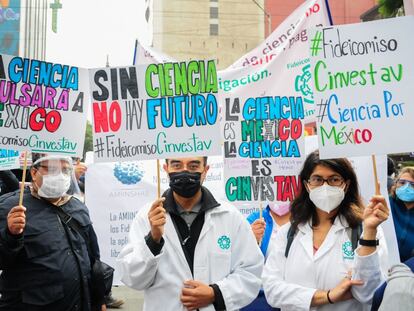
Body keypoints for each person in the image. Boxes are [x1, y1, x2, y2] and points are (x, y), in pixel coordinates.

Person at [117, 156, 263, 311]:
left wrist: (216, 293)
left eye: (193, 166)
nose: (184, 172)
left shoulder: (230, 217)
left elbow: (251, 272)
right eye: (177, 165)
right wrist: (153, 239)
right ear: (166, 169)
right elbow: (133, 278)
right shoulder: (147, 217)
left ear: (205, 171)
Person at [263, 150, 389, 311]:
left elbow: (369, 295)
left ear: (346, 184)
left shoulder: (367, 231)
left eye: (334, 179)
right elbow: (272, 291)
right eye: (317, 179)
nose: (325, 186)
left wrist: (370, 232)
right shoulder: (289, 232)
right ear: (307, 185)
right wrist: (327, 296)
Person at [0, 154, 106, 311]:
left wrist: (99, 299)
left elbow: (92, 257)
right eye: (52, 169)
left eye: (65, 170)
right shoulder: (12, 208)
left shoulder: (78, 207)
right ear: (34, 173)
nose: (60, 176)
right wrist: (11, 235)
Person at [241, 203, 291, 310]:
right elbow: (239, 259)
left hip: (291, 295)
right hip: (260, 298)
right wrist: (250, 238)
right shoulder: (255, 219)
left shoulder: (303, 221)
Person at [388, 166, 414, 262]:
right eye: (402, 183)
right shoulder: (386, 205)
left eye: (413, 184)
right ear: (395, 184)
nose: (406, 187)